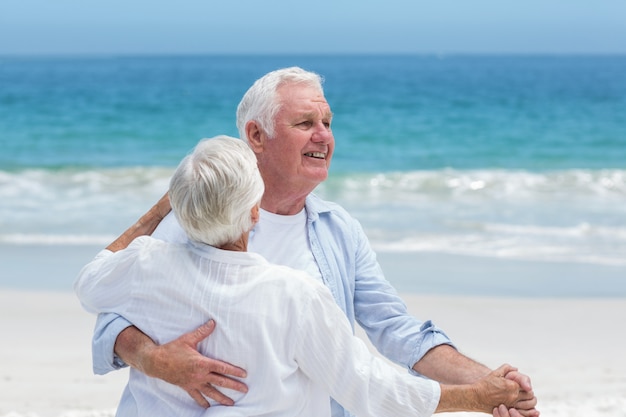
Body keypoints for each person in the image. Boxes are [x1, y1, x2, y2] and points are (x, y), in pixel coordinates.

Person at [81, 67, 538, 417]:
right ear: (256, 136)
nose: (324, 135)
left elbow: (397, 333)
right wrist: (157, 360)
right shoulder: (198, 216)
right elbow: (110, 319)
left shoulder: (337, 230)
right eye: (305, 122)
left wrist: (496, 385)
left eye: (327, 121)